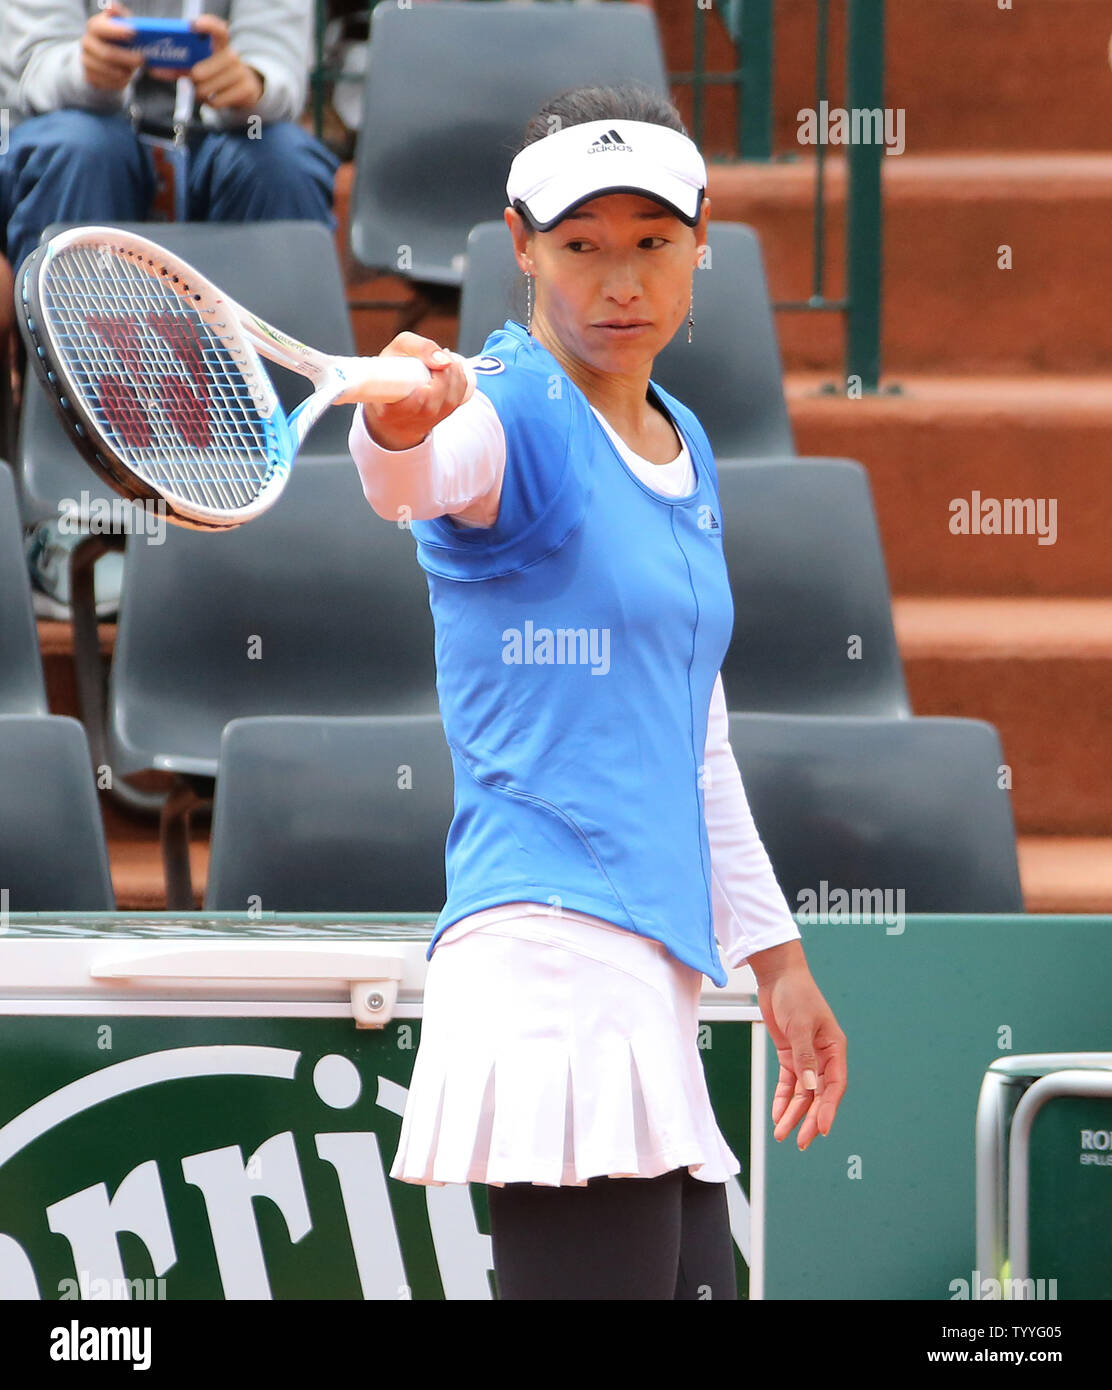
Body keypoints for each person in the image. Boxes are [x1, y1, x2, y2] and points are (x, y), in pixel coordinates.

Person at [344, 82, 848, 1301]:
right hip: (553, 967)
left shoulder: (686, 444)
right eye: (578, 248)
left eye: (648, 245)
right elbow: (417, 475)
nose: (618, 284)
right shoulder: (507, 405)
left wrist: (775, 957)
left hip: (648, 977)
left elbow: (696, 736)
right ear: (520, 246)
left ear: (698, 242)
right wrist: (399, 431)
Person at [0, 0, 338, 276]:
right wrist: (83, 72)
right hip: (87, 130)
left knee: (281, 161)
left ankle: (278, 357)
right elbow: (31, 70)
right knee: (79, 148)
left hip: (224, 135)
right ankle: (69, 354)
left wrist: (251, 85)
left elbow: (277, 66)